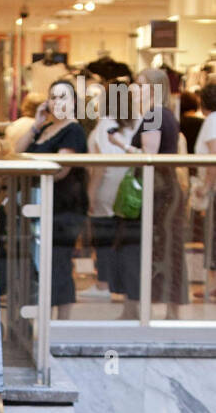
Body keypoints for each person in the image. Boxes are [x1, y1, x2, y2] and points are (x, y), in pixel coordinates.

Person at [114, 68, 188, 318]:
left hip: (157, 192)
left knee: (157, 247)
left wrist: (121, 144)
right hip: (161, 189)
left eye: (141, 84)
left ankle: (147, 309)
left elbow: (149, 154)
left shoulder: (155, 115)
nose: (135, 89)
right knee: (165, 248)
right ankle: (162, 309)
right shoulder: (160, 114)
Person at [16, 79, 89, 318]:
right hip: (41, 203)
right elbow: (18, 151)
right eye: (54, 97)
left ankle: (62, 322)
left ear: (74, 102)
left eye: (63, 97)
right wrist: (36, 124)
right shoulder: (46, 129)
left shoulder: (73, 130)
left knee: (58, 261)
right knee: (42, 262)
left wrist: (35, 178)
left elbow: (61, 169)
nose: (58, 102)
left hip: (64, 206)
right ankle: (47, 318)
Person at [86, 77, 138, 294]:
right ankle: (117, 282)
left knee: (102, 234)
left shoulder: (106, 124)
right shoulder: (134, 123)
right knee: (119, 235)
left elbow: (100, 163)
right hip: (127, 186)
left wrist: (90, 193)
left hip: (106, 185)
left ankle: (103, 282)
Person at [194, 81, 216, 302]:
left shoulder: (212, 121)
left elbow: (213, 158)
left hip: (214, 188)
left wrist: (206, 186)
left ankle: (214, 286)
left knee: (213, 235)